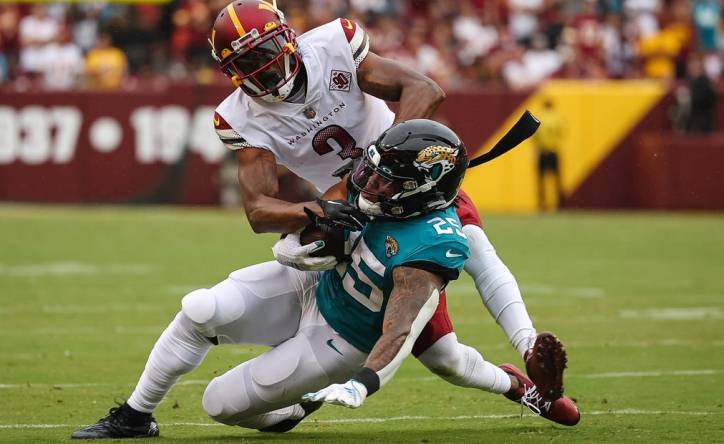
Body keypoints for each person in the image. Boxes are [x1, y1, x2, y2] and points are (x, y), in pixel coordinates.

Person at [71, 1, 578, 438]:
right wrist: (318, 211)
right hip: (352, 217)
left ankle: (529, 352)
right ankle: (518, 384)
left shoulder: (336, 44)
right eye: (250, 66)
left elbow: (423, 89)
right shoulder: (239, 114)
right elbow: (259, 211)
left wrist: (384, 163)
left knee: (473, 255)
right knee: (438, 353)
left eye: (268, 57)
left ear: (288, 41)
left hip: (408, 191)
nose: (265, 73)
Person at [534, 99, 564, 211]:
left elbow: (535, 138)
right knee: (557, 179)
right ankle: (560, 204)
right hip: (554, 151)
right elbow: (562, 133)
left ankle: (542, 204)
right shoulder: (557, 118)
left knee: (541, 180)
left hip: (542, 151)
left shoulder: (540, 118)